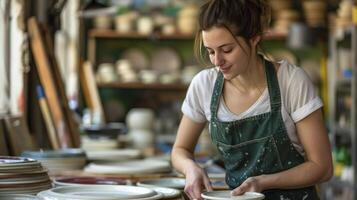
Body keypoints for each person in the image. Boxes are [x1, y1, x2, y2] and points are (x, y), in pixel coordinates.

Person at [171, 0, 333, 199]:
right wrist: (190, 169)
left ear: (254, 38)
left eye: (227, 50)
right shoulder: (204, 85)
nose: (217, 61)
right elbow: (180, 150)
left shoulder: (291, 82)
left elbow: (322, 167)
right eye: (211, 51)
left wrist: (263, 182)